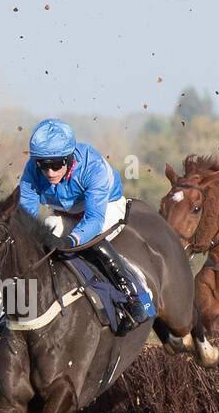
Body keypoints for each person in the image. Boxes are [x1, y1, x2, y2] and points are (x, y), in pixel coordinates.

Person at [18, 118, 152, 331]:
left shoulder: (93, 166)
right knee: (45, 234)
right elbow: (26, 215)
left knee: (90, 241)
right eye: (43, 165)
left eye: (55, 165)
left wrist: (72, 239)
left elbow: (94, 220)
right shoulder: (32, 170)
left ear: (69, 158)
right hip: (66, 213)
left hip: (106, 207)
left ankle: (131, 296)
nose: (50, 172)